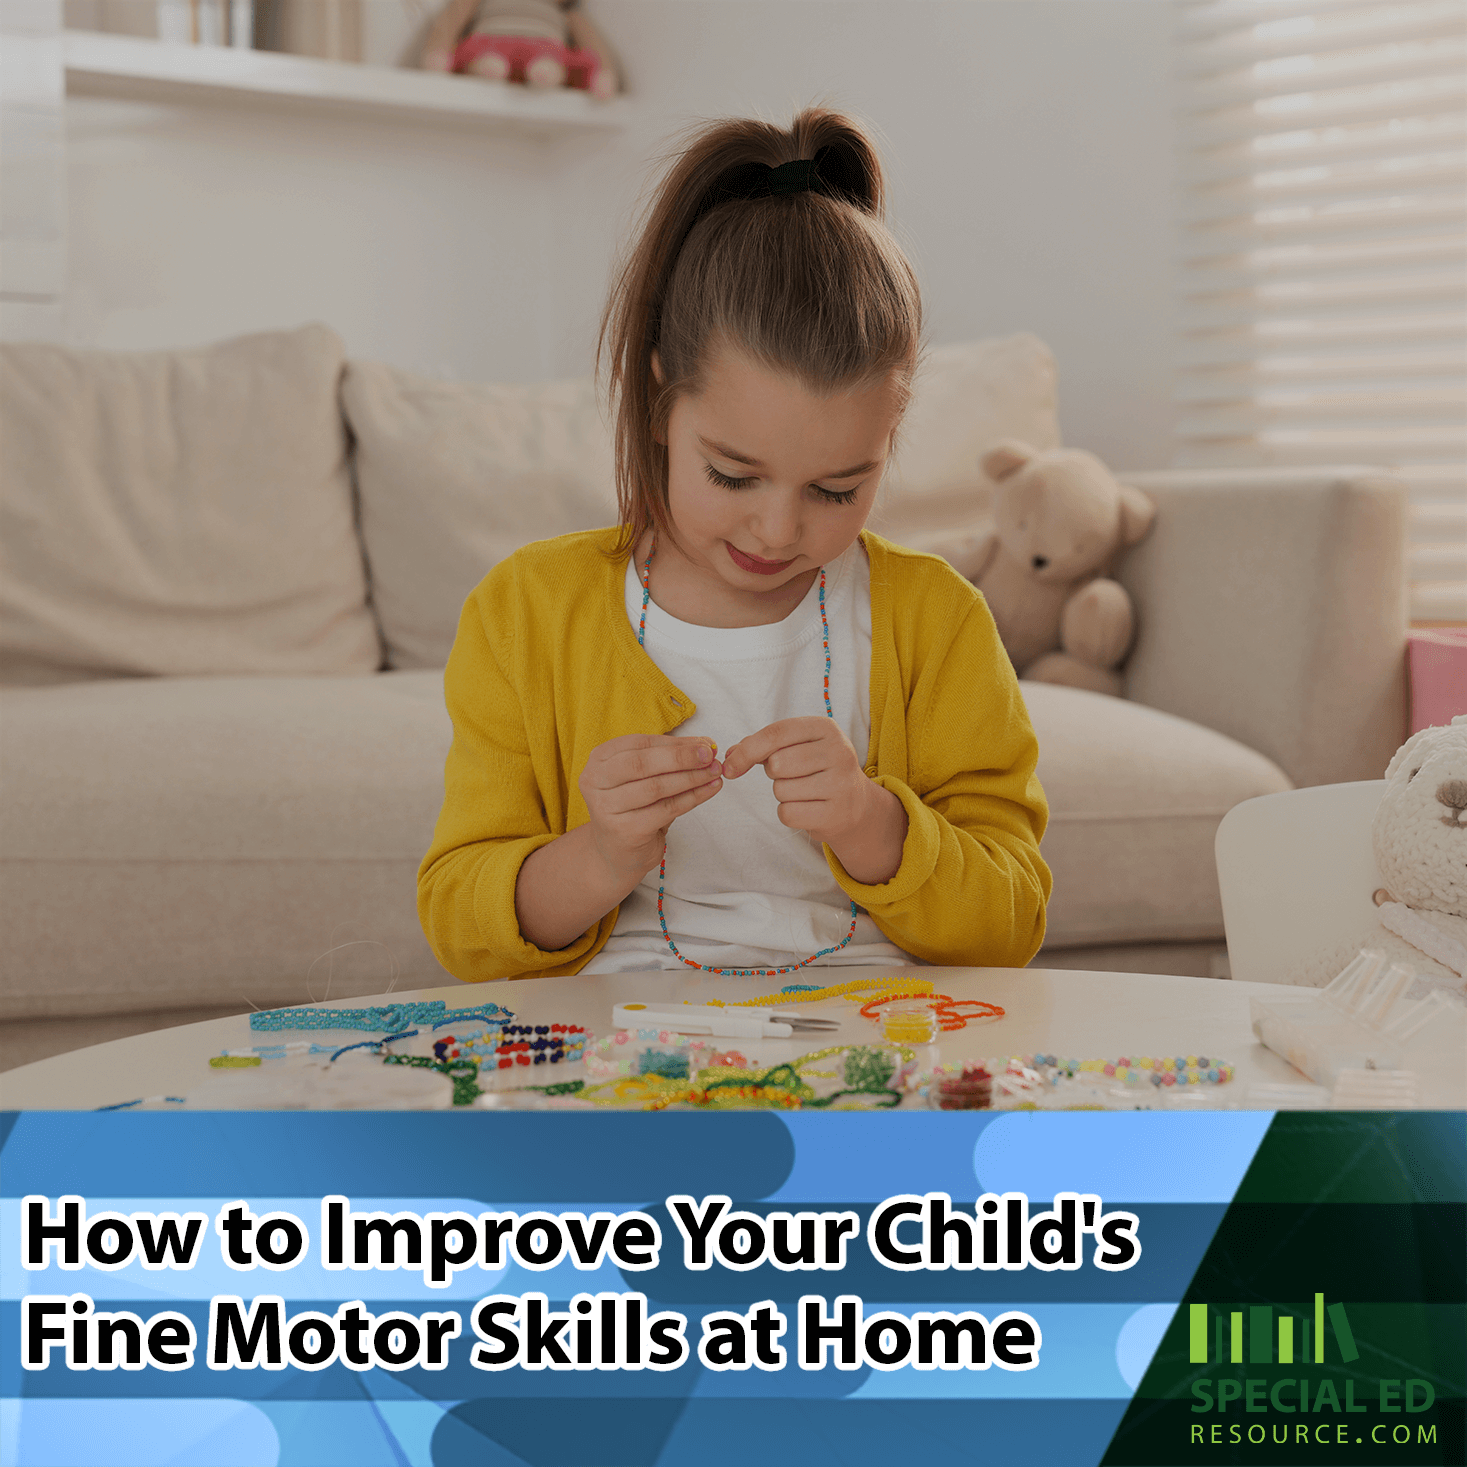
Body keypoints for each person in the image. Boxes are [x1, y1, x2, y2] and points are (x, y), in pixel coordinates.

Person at [418, 107, 1051, 983]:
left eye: (837, 490)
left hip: (877, 1024)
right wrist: (598, 856)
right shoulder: (526, 610)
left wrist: (873, 823)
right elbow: (459, 921)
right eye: (732, 475)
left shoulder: (935, 620)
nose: (779, 530)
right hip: (622, 1040)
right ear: (658, 404)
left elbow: (1012, 921)